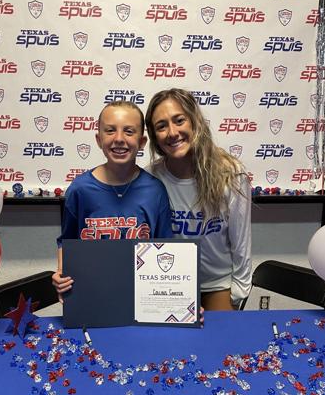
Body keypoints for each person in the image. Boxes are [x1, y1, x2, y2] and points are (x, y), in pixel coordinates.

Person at [52, 101, 172, 301]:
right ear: (99, 140)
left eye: (129, 131)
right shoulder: (80, 189)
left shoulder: (155, 190)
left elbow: (167, 248)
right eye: (110, 131)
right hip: (92, 295)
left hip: (143, 297)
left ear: (142, 142)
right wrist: (61, 273)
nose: (119, 139)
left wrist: (178, 300)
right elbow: (67, 241)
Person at [145, 88, 251, 311]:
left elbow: (241, 241)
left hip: (217, 283)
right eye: (161, 126)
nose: (172, 132)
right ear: (154, 137)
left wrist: (239, 292)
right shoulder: (151, 178)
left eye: (179, 120)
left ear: (195, 121)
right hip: (169, 283)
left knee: (221, 333)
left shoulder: (231, 173)